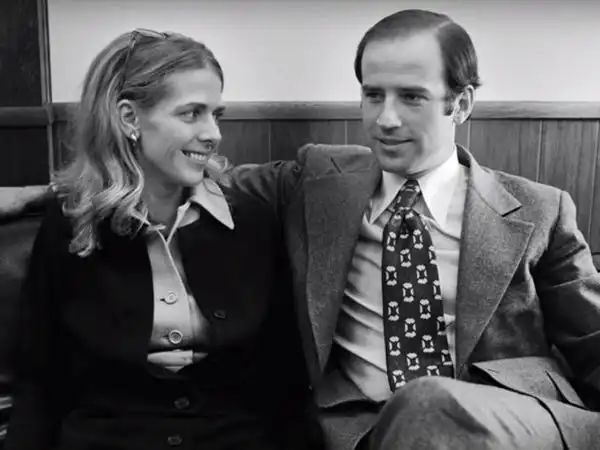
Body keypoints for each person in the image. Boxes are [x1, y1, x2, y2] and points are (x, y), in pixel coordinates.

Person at [231, 8, 600, 450]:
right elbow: (209, 179)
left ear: (460, 104)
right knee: (418, 409)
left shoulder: (541, 209)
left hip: (508, 424)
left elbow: (593, 339)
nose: (385, 119)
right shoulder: (316, 180)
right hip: (365, 429)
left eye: (411, 97)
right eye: (373, 95)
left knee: (430, 403)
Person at [4, 29, 318, 450]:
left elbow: (285, 383)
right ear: (129, 118)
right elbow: (39, 382)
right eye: (191, 114)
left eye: (216, 114)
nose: (213, 133)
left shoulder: (251, 221)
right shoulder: (70, 226)